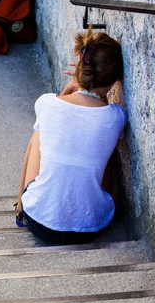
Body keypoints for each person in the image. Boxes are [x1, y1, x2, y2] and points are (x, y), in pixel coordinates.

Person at [15, 27, 127, 245]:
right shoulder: (116, 117)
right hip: (92, 227)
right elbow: (90, 121)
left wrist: (70, 87)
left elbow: (61, 113)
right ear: (114, 80)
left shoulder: (46, 103)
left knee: (40, 133)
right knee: (103, 146)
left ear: (80, 68)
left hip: (41, 222)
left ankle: (20, 208)